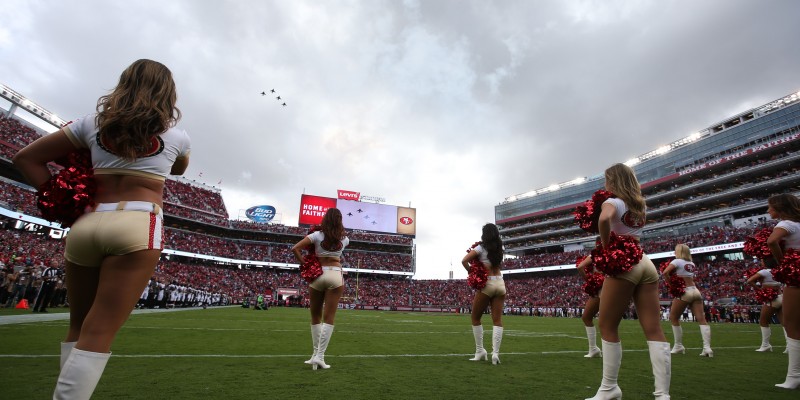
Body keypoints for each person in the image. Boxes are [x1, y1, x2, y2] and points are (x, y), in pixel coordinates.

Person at [13, 59, 190, 399]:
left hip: (87, 223)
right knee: (100, 329)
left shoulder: (89, 125)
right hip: (139, 223)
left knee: (78, 324)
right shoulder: (178, 136)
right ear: (169, 93)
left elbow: (25, 158)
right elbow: (180, 168)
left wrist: (56, 196)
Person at [586, 163, 670, 400]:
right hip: (644, 260)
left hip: (625, 263)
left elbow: (604, 220)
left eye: (606, 180)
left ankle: (609, 388)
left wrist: (605, 246)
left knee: (607, 325)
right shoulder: (639, 204)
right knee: (654, 328)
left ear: (613, 181)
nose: (605, 185)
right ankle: (663, 394)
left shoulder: (613, 202)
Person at [292, 208, 349, 370]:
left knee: (315, 317)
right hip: (336, 275)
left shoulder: (316, 235)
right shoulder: (345, 239)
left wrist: (305, 264)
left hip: (318, 274)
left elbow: (295, 248)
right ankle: (320, 357)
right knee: (329, 318)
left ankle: (314, 356)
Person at [765, 194, 800, 389]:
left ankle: (794, 376)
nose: (768, 211)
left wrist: (783, 263)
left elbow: (772, 241)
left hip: (796, 276)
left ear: (780, 207)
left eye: (770, 207)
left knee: (791, 324)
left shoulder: (787, 224)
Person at [461, 223, 506, 365]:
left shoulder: (480, 248)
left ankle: (480, 351)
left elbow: (464, 260)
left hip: (487, 284)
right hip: (500, 283)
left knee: (475, 318)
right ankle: (495, 354)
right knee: (497, 320)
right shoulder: (501, 248)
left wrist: (471, 271)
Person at [661, 244, 713, 357]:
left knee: (673, 318)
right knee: (702, 319)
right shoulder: (691, 263)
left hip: (684, 292)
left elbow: (665, 273)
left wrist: (671, 285)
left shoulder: (677, 261)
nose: (674, 252)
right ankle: (707, 348)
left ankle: (678, 346)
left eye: (675, 250)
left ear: (679, 251)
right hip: (695, 291)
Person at [746, 263, 785, 353]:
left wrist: (759, 289)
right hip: (781, 296)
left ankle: (765, 345)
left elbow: (749, 281)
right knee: (784, 322)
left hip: (772, 299)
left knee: (763, 322)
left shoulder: (764, 271)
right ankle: (789, 346)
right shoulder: (778, 270)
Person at [577, 256, 601, 358]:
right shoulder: (614, 252)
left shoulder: (596, 254)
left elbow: (580, 266)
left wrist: (588, 280)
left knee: (587, 317)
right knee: (609, 322)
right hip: (612, 285)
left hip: (602, 287)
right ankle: (594, 348)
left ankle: (594, 348)